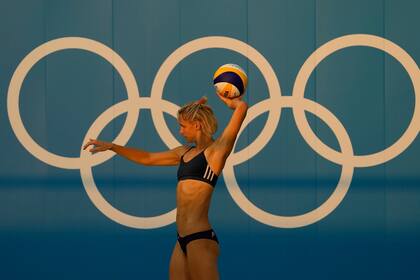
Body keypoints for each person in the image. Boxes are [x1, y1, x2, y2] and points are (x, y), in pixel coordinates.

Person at [83, 93, 248, 280]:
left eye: (182, 126)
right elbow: (148, 158)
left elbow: (242, 109)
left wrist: (233, 103)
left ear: (197, 125)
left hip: (200, 237)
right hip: (181, 239)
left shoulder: (216, 153)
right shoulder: (183, 152)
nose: (180, 131)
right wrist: (113, 146)